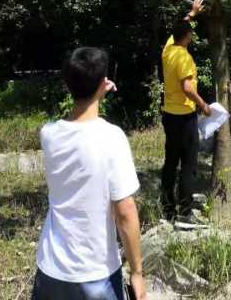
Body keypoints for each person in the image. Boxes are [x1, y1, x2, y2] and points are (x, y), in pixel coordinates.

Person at [32, 47, 147, 300]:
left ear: (66, 84)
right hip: (96, 273)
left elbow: (77, 129)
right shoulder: (112, 137)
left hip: (51, 267)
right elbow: (125, 211)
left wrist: (93, 94)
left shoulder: (48, 134)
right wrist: (137, 272)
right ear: (102, 84)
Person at [160, 0, 211, 225]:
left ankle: (168, 207)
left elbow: (179, 28)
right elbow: (187, 87)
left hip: (168, 115)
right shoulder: (185, 58)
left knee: (171, 161)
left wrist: (192, 12)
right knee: (189, 165)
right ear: (188, 37)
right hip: (184, 118)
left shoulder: (168, 49)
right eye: (191, 32)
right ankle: (186, 212)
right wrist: (203, 105)